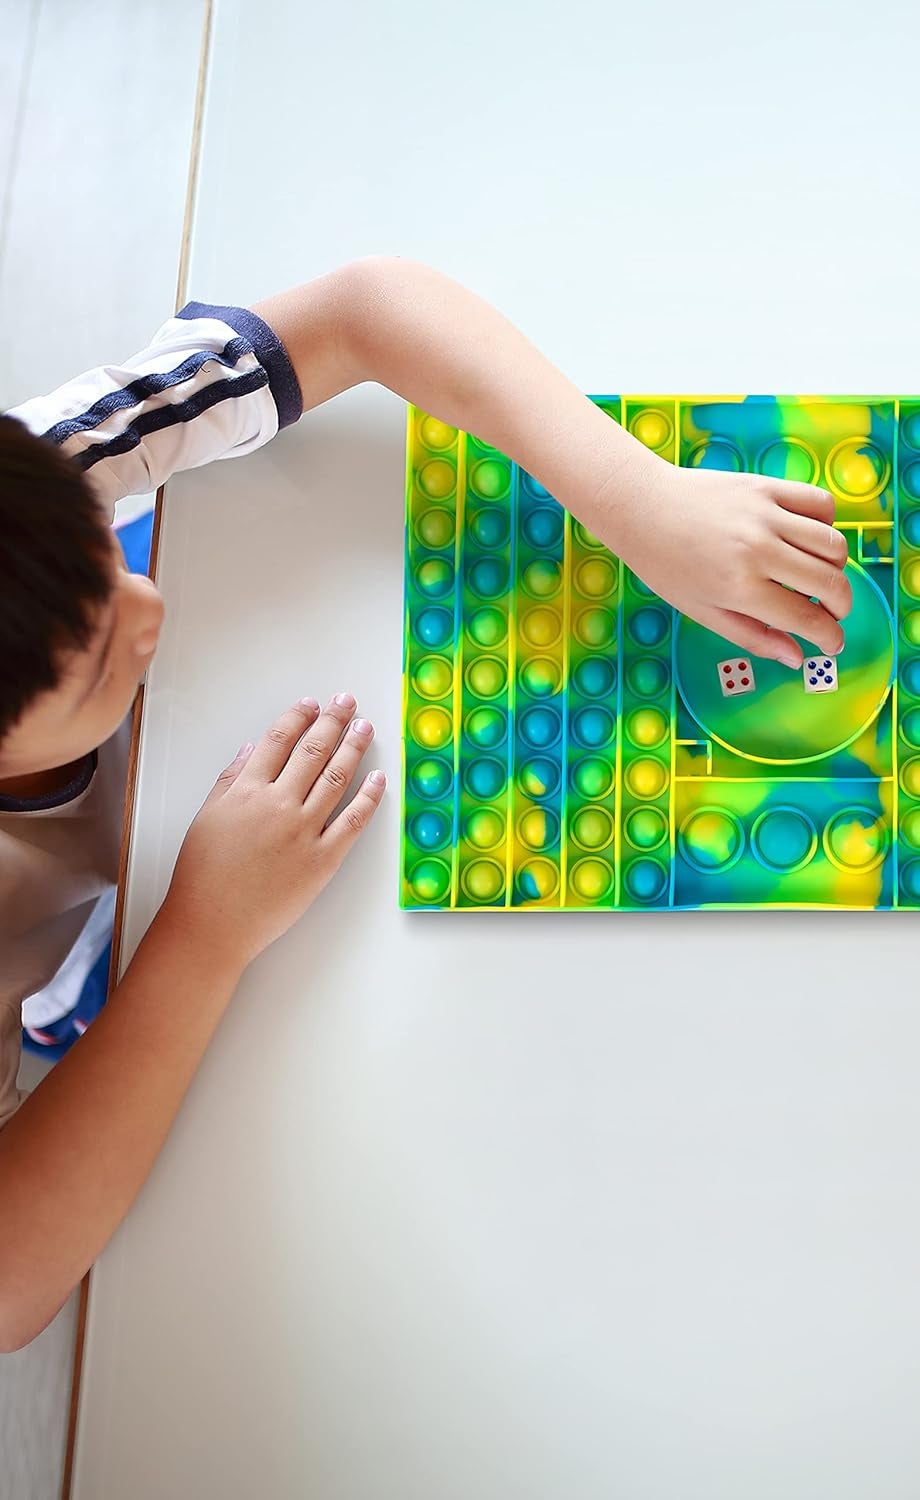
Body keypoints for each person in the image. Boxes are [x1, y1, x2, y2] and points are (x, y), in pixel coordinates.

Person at [0, 258, 851, 1349]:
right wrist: (203, 934)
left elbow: (365, 312)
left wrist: (631, 496)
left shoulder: (43, 465)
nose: (148, 599)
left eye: (101, 544)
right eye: (102, 653)